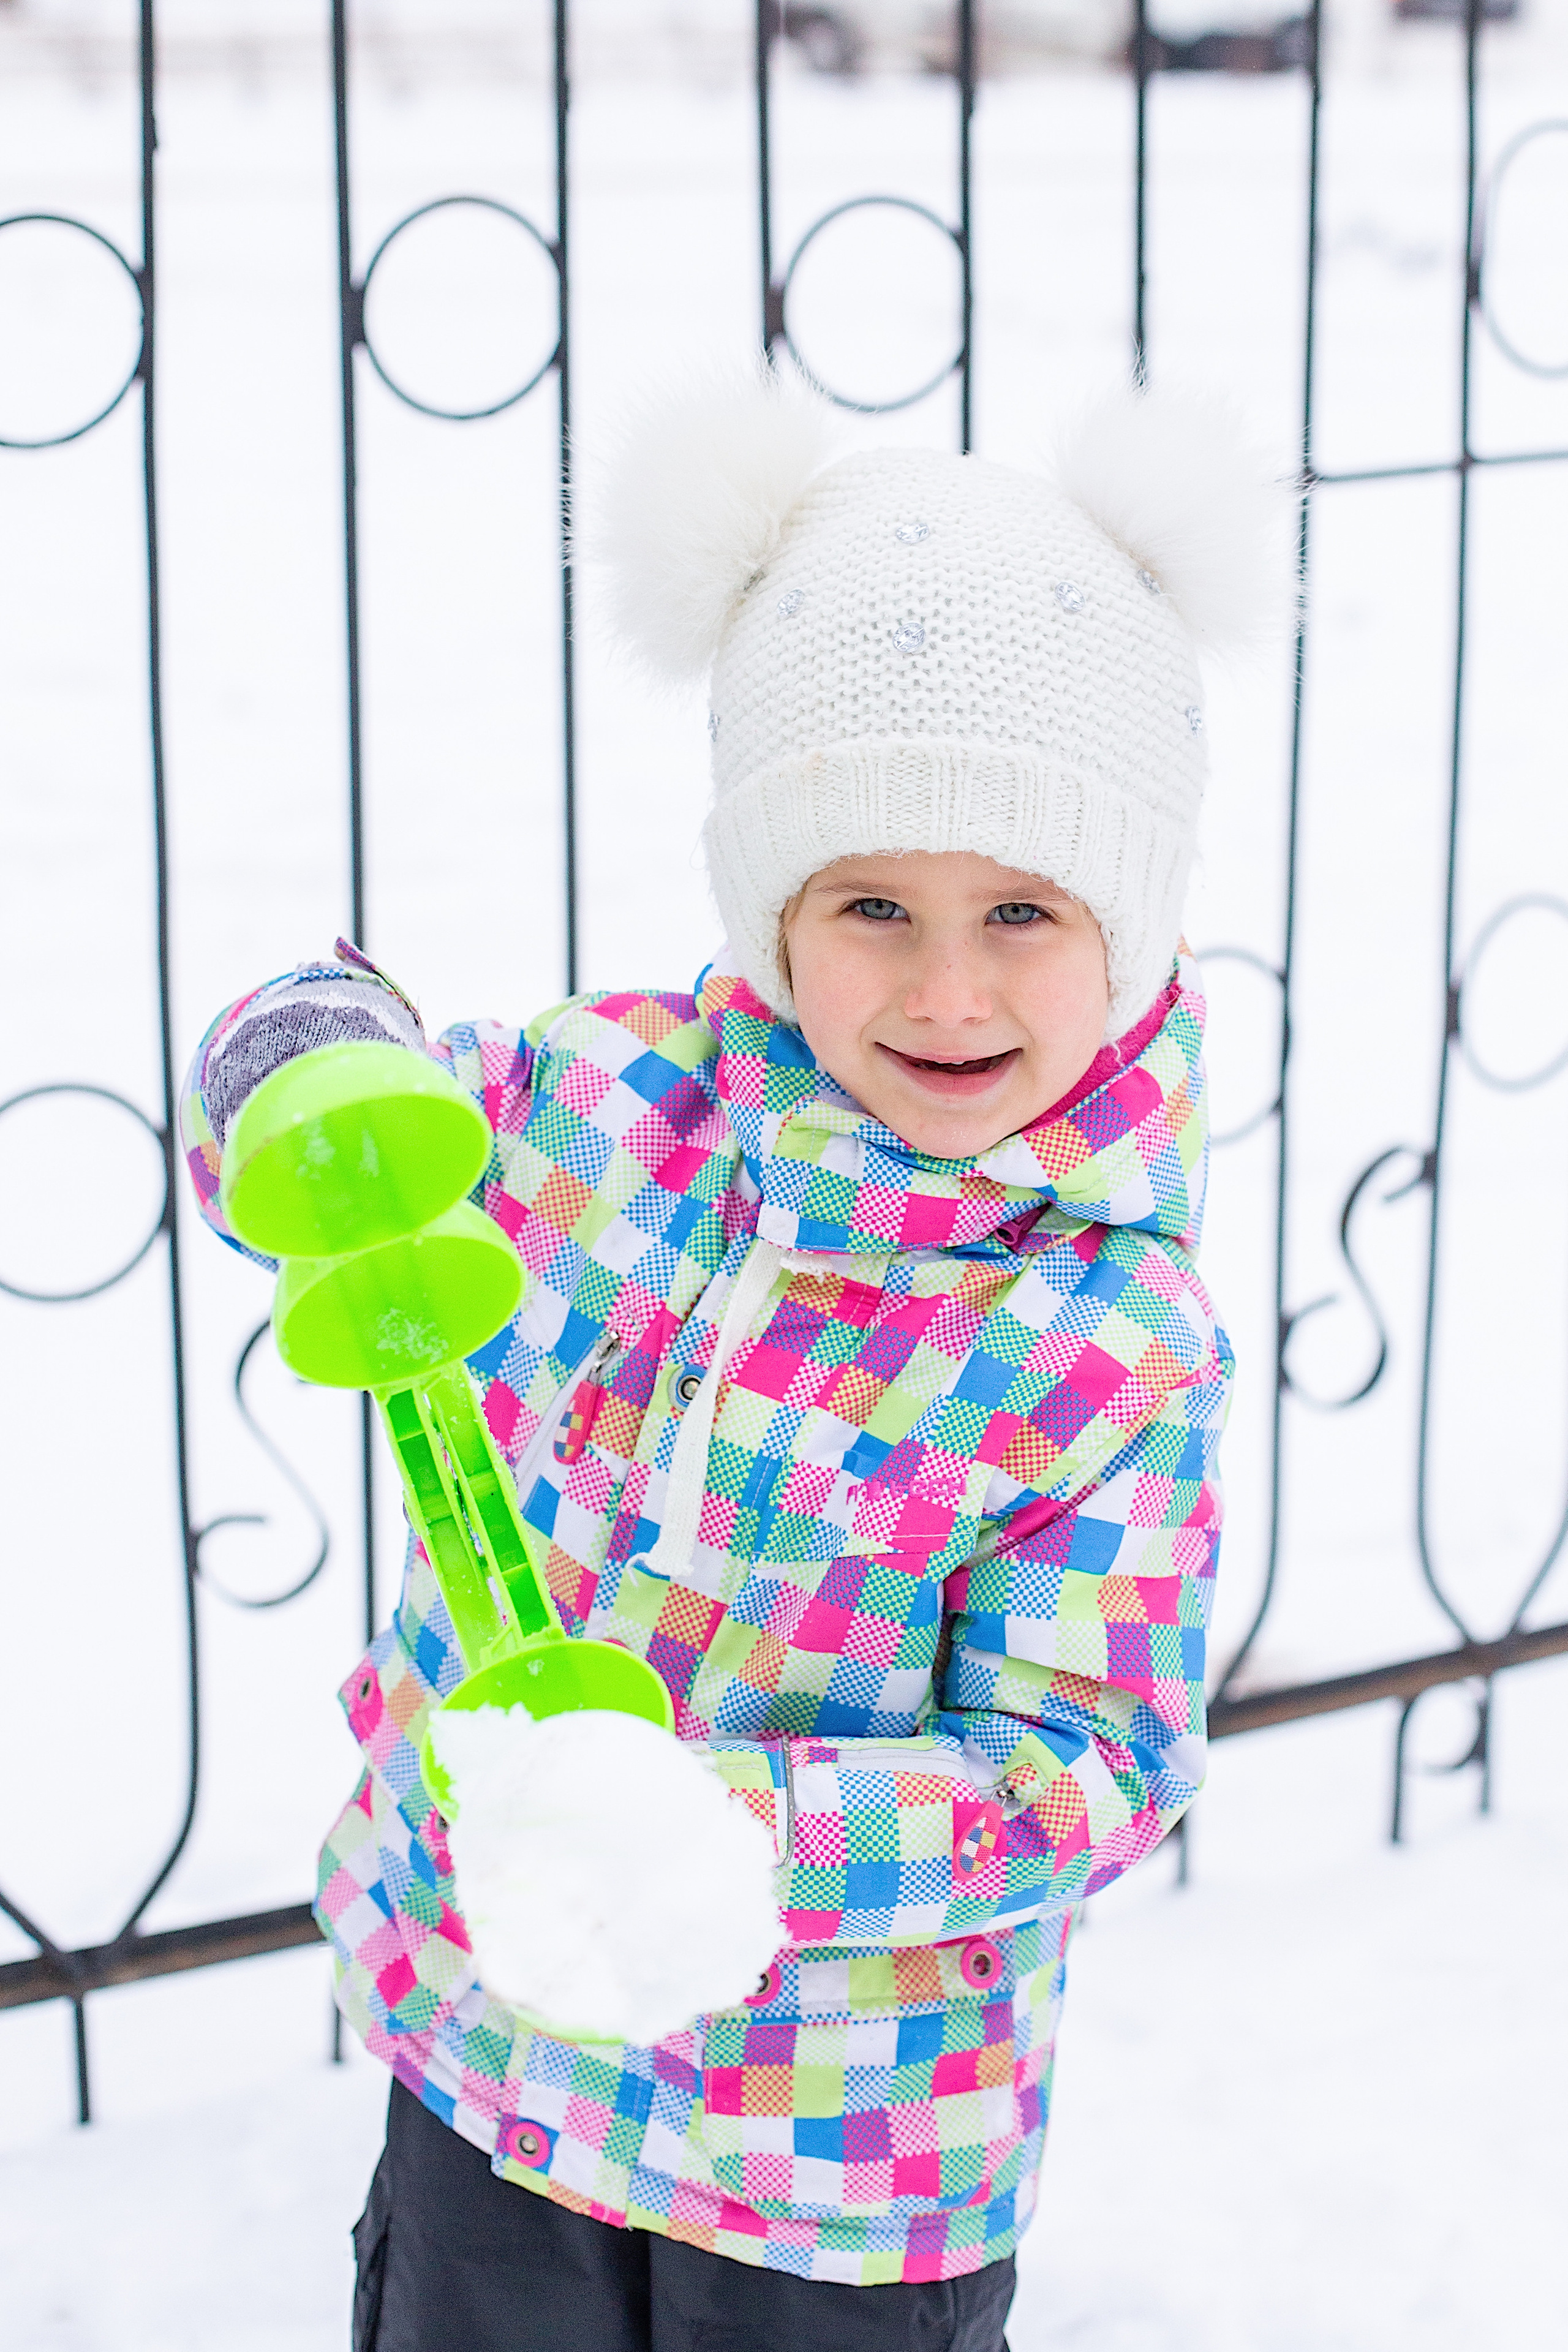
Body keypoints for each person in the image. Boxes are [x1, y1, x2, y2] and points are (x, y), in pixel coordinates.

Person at [182, 369, 1283, 2352]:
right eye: (870, 903)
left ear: (1128, 916)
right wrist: (296, 1058)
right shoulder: (602, 1117)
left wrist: (745, 1829)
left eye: (1022, 911)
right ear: (771, 902)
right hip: (496, 2047)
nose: (946, 989)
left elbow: (1089, 1770)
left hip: (836, 2164)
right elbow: (343, 1140)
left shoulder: (1109, 1345)